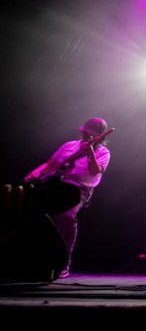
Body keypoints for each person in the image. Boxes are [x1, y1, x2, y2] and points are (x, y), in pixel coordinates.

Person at [24, 117, 112, 279]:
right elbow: (50, 164)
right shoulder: (69, 145)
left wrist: (90, 153)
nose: (87, 136)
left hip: (79, 190)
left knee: (66, 216)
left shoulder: (103, 152)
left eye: (91, 135)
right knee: (32, 213)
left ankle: (64, 264)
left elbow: (94, 171)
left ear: (100, 136)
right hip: (56, 186)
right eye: (85, 133)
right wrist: (36, 172)